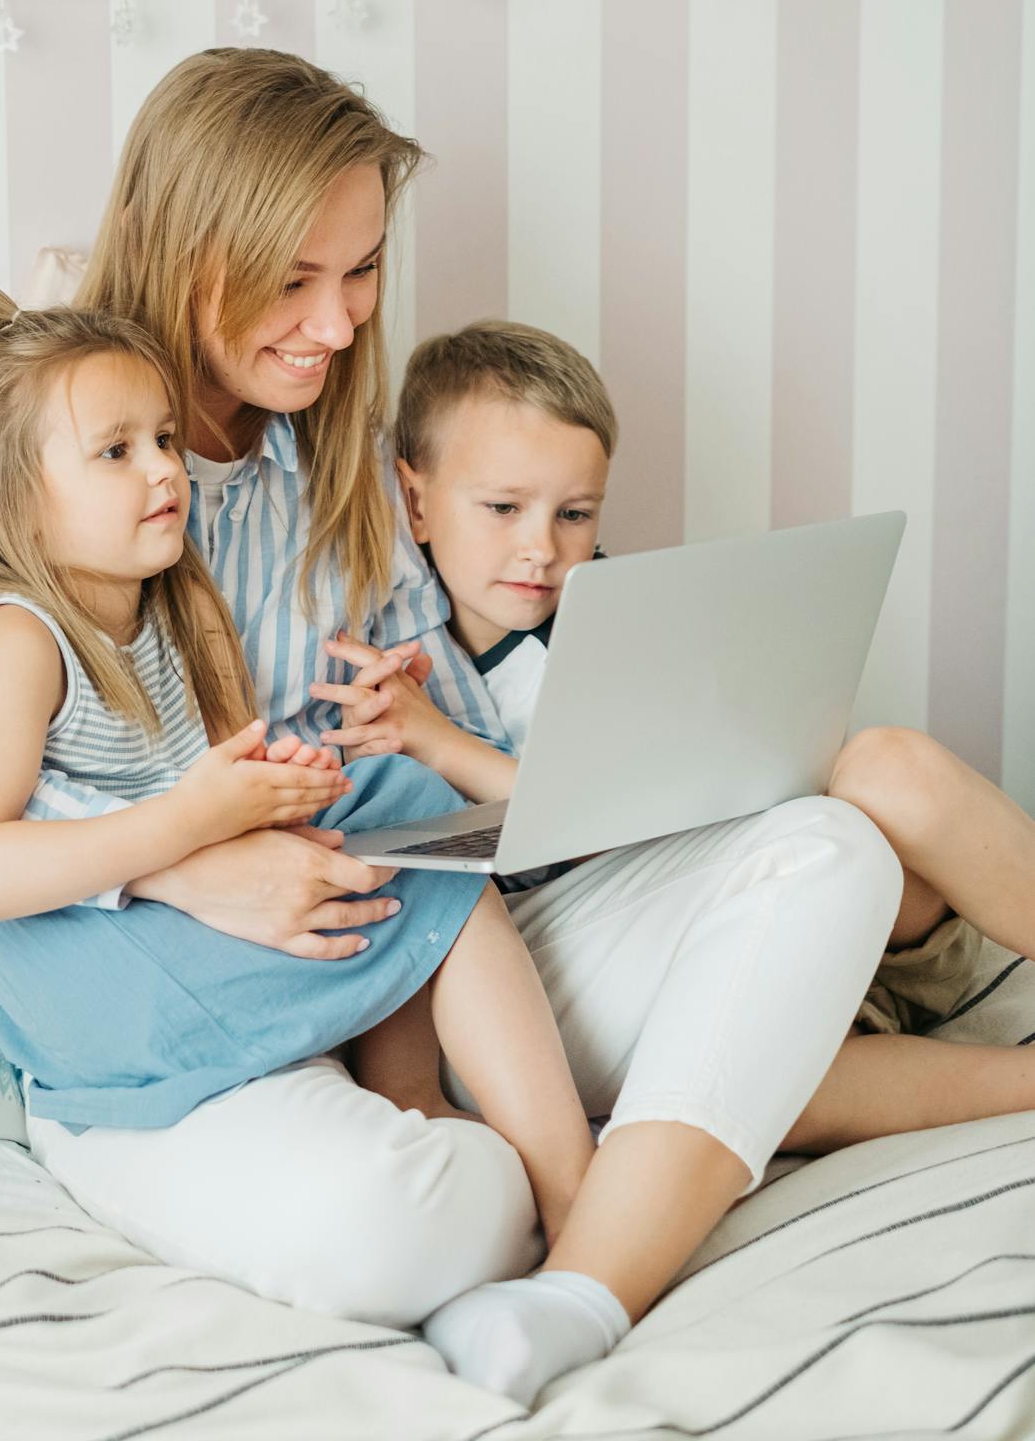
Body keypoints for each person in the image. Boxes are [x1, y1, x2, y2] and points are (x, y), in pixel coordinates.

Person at [0, 47, 901, 1365]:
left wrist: (640, 742)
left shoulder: (336, 463)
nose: (338, 326)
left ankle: (582, 1283)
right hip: (183, 1013)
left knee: (828, 849)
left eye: (363, 271)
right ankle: (582, 1195)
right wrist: (181, 860)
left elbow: (444, 754)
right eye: (294, 280)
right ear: (182, 248)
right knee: (407, 1218)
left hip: (400, 940)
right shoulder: (33, 451)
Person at [384, 317, 1035, 1400]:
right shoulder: (393, 641)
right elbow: (561, 821)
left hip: (735, 893)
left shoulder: (611, 619)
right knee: (789, 989)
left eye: (575, 513)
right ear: (416, 499)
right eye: (502, 509)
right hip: (528, 977)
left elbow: (657, 792)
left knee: (885, 771)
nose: (540, 546)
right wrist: (439, 740)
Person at [0, 282, 596, 1257]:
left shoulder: (182, 609)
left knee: (395, 806)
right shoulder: (20, 640)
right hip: (89, 986)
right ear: (3, 495)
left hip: (168, 938)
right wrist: (191, 820)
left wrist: (293, 778)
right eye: (116, 450)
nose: (163, 468)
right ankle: (576, 1191)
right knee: (410, 816)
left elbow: (234, 785)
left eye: (163, 438)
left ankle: (410, 1092)